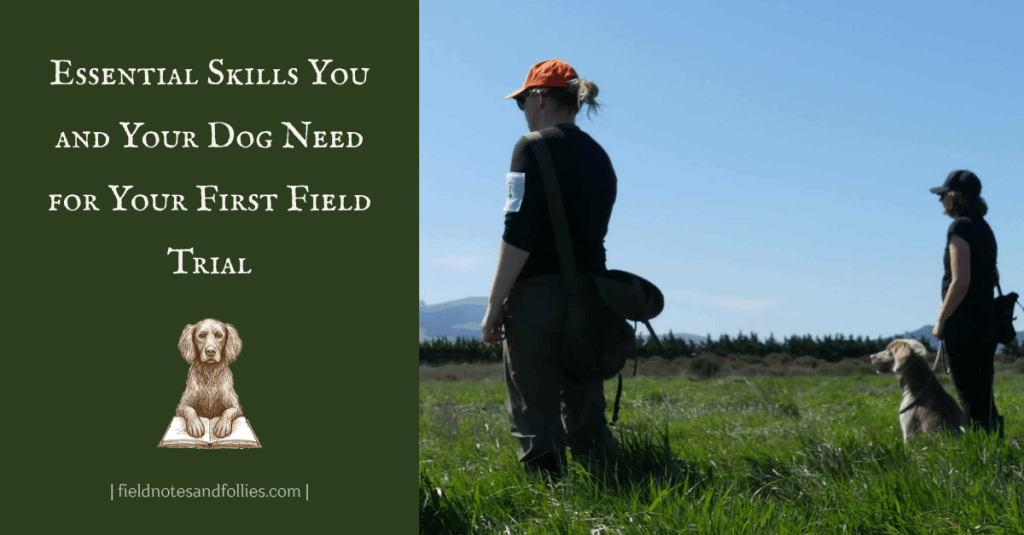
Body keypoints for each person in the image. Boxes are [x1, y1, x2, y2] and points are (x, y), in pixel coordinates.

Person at [480, 58, 618, 476]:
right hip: (594, 295)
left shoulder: (531, 146)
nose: (522, 110)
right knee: (585, 401)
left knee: (534, 411)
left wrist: (494, 304)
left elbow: (517, 231)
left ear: (539, 98)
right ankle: (608, 485)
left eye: (522, 100)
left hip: (538, 298)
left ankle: (547, 499)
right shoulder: (600, 156)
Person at [930, 170, 1001, 434]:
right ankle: (997, 453)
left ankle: (983, 462)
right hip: (988, 320)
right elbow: (989, 277)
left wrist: (941, 319)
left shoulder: (959, 228)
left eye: (944, 195)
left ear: (956, 197)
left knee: (970, 399)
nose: (940, 201)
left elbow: (961, 280)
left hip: (965, 324)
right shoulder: (984, 228)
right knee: (984, 396)